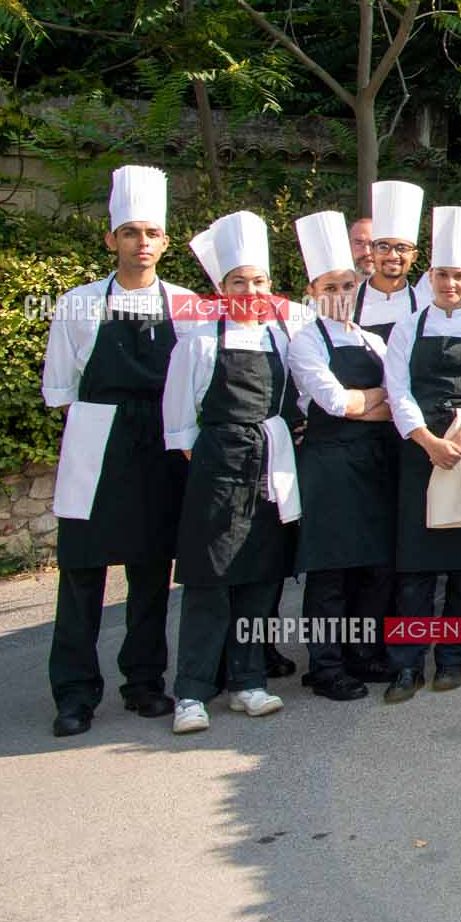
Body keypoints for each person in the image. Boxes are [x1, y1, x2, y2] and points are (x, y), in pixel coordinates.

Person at [40, 165, 194, 737]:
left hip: (158, 445)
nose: (142, 243)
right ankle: (75, 693)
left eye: (151, 233)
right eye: (130, 232)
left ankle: (144, 682)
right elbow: (59, 389)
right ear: (111, 239)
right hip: (96, 442)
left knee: (152, 571)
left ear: (165, 241)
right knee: (82, 573)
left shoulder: (186, 306)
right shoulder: (76, 305)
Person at [163, 211, 300, 734]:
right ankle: (192, 693)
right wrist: (218, 460)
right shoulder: (197, 344)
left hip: (270, 464)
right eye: (238, 281)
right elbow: (178, 425)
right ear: (221, 288)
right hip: (218, 468)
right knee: (208, 581)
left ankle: (248, 682)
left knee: (260, 577)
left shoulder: (282, 340)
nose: (249, 290)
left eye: (258, 281)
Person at [380, 206, 461, 701]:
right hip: (421, 454)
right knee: (414, 569)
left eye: (459, 275)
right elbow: (397, 392)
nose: (451, 283)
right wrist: (430, 442)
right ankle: (405, 665)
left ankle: (453, 659)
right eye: (442, 275)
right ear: (429, 276)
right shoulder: (407, 328)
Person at [287, 211, 400, 700]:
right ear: (312, 291)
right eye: (329, 285)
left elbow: (397, 405)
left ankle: (362, 652)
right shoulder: (304, 341)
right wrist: (372, 399)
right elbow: (333, 403)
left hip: (375, 463)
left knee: (374, 567)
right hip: (329, 465)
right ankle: (326, 664)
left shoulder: (373, 339)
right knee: (331, 570)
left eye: (348, 284)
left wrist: (365, 402)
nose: (341, 292)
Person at [357, 180, 427, 340]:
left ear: (414, 256)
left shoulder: (427, 307)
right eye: (383, 246)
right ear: (372, 252)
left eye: (402, 248)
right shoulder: (347, 304)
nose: (392, 255)